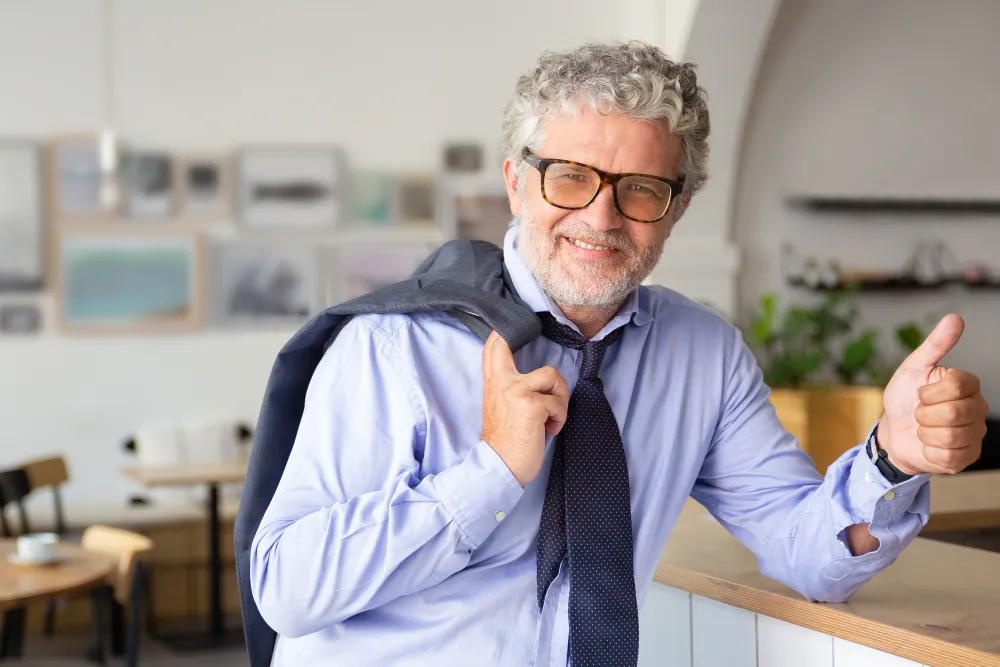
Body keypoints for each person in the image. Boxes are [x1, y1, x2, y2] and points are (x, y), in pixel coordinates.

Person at [249, 41, 989, 666]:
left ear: (677, 209)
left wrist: (892, 457)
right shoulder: (396, 345)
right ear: (517, 183)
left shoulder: (702, 355)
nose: (600, 216)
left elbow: (807, 552)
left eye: (639, 189)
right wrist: (490, 472)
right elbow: (286, 586)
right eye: (570, 176)